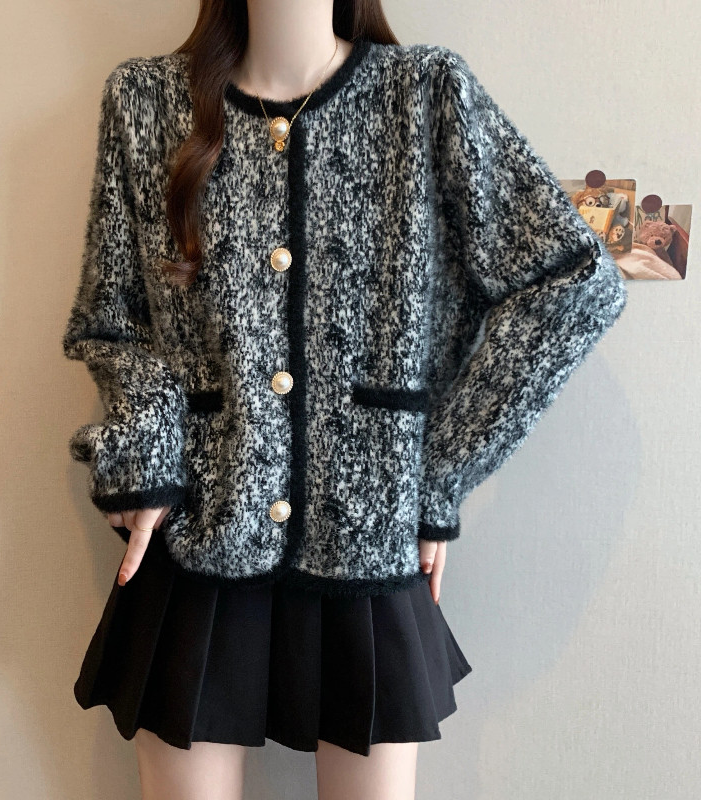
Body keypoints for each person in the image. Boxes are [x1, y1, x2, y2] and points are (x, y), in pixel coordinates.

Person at [63, 2, 628, 798]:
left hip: (369, 532)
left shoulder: (426, 95)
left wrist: (439, 472)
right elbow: (111, 320)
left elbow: (574, 286)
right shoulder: (146, 101)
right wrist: (145, 451)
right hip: (199, 530)